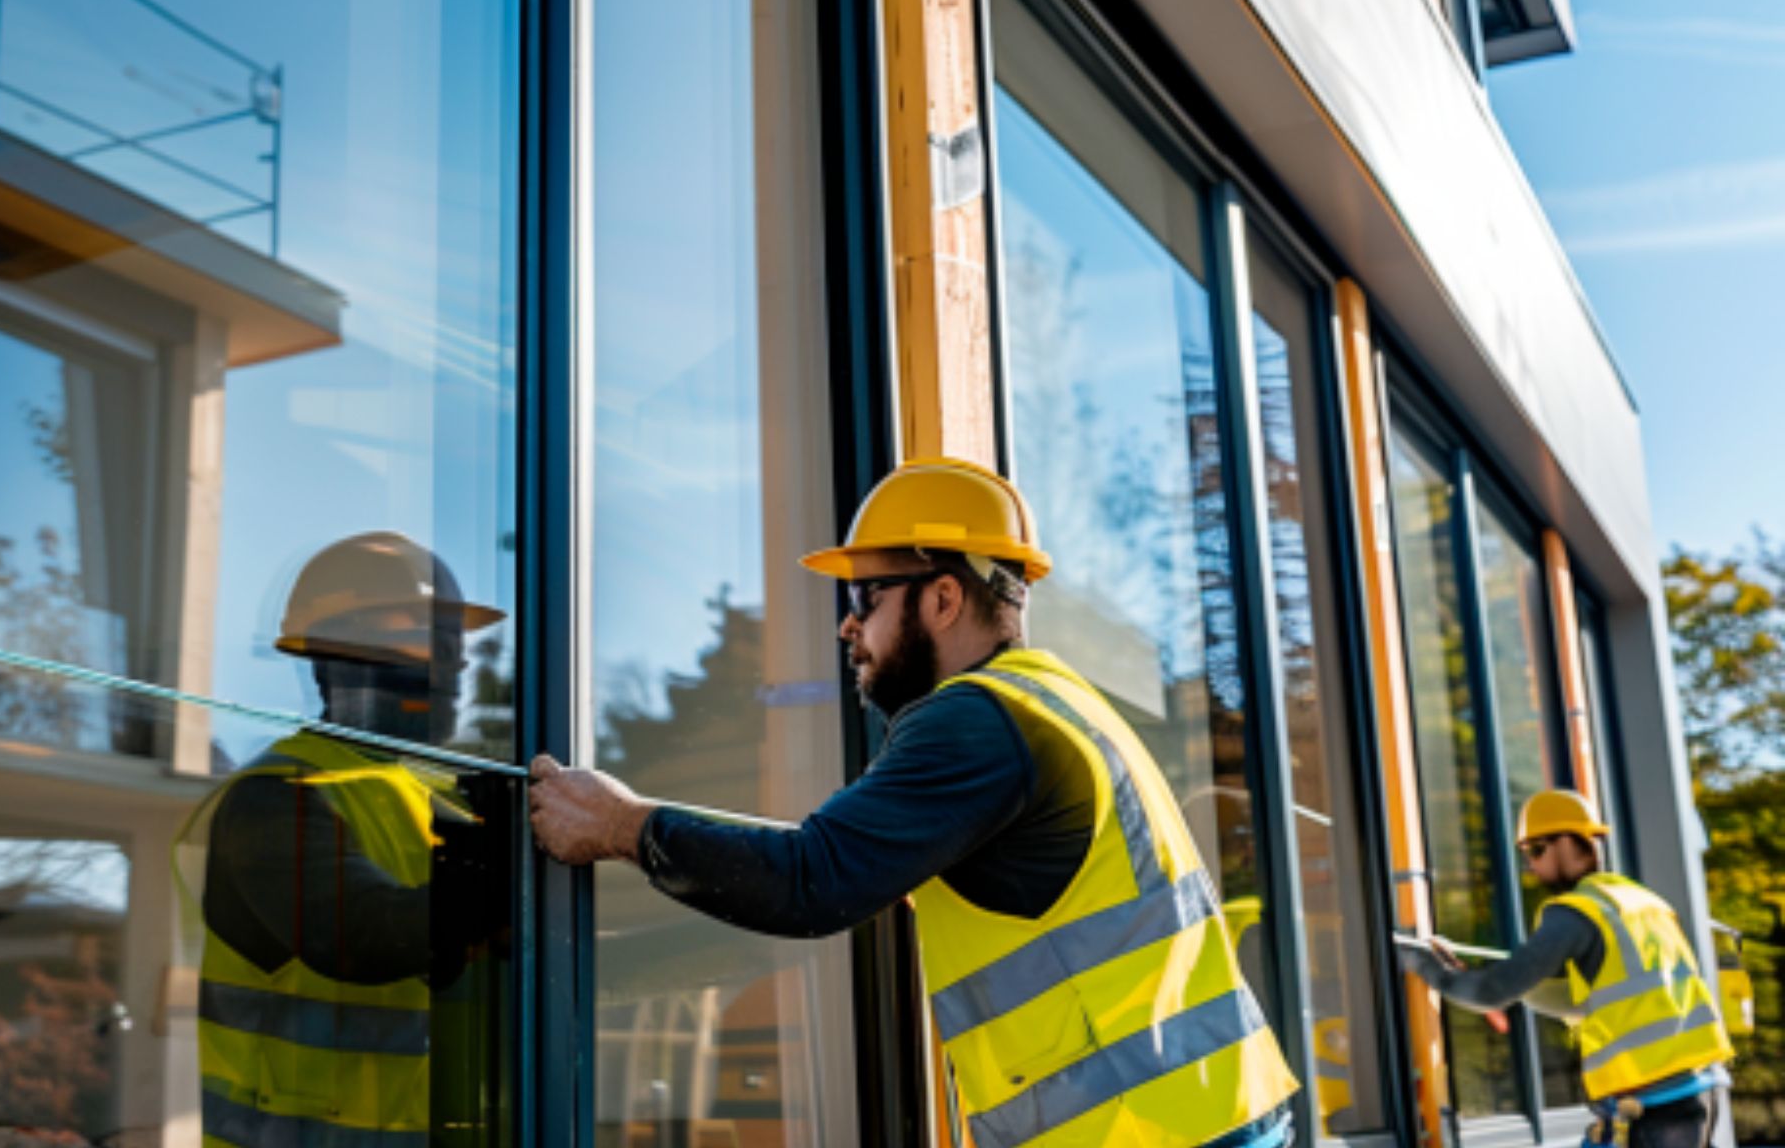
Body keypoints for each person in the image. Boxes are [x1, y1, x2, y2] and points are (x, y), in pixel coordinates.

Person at [530, 457, 1299, 1148]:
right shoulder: (1059, 704)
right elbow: (838, 869)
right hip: (1207, 1117)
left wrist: (620, 824)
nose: (848, 624)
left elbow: (812, 879)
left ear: (941, 598)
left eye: (866, 596)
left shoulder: (976, 720)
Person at [180, 532, 506, 1148]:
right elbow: (356, 935)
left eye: (451, 647)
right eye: (415, 637)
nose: (445, 669)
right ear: (333, 655)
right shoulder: (275, 794)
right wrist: (499, 889)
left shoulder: (448, 798)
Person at [1400, 789, 1733, 1147]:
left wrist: (1423, 965)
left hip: (1653, 1106)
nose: (1530, 864)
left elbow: (1490, 993)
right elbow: (1579, 1000)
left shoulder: (1576, 912)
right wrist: (1470, 975)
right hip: (1695, 1090)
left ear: (1571, 844)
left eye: (1536, 850)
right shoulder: (1642, 903)